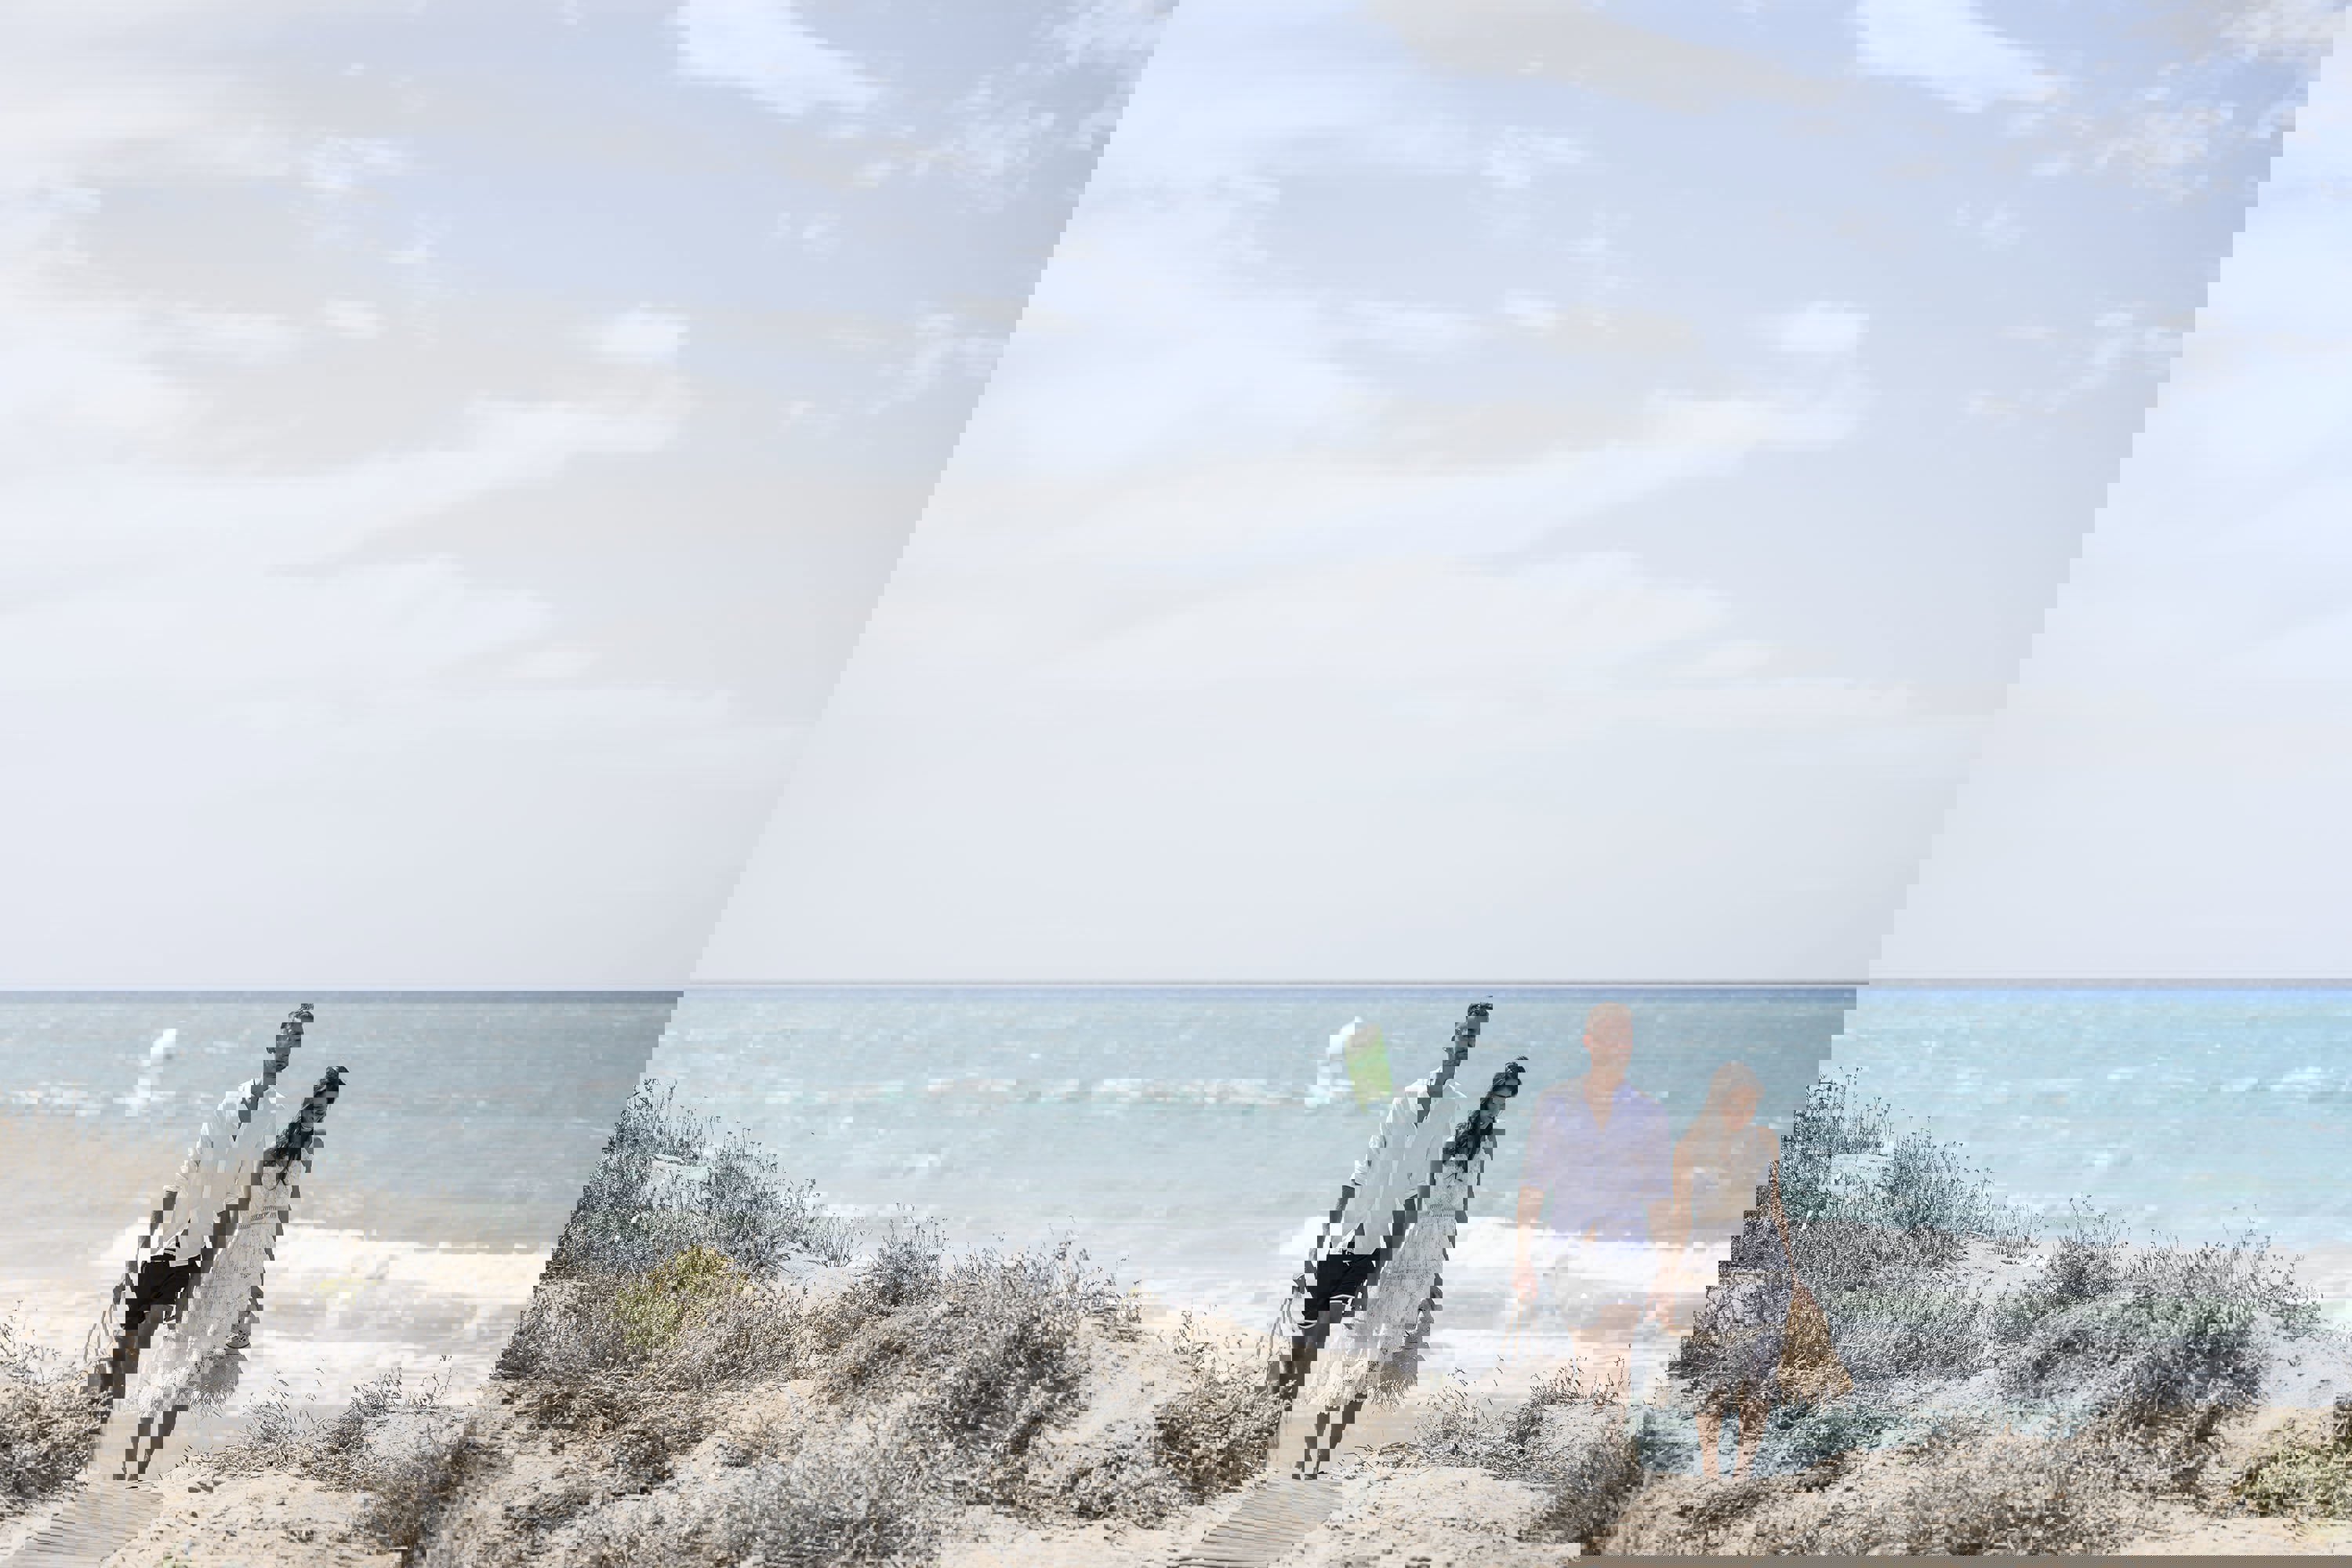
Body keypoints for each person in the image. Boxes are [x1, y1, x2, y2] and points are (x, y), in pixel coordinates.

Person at [1512, 1003, 1671, 1390]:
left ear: (1630, 1045)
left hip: (1627, 1247)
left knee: (1616, 1351)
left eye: (1623, 1039)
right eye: (1607, 1039)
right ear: (1590, 1043)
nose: (1616, 1047)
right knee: (1587, 1354)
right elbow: (1534, 1186)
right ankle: (1599, 1438)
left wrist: (1668, 1269)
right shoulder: (1555, 1105)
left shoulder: (1649, 1113)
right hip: (1569, 1249)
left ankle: (1612, 1439)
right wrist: (1521, 1261)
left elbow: (1661, 1200)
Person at [1651, 1061, 1779, 1338]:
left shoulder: (1766, 1142)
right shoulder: (1690, 1147)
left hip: (1754, 1253)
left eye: (1749, 1104)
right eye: (1733, 1103)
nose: (1741, 1112)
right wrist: (1668, 1276)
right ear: (1718, 1102)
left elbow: (1778, 1207)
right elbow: (1681, 1215)